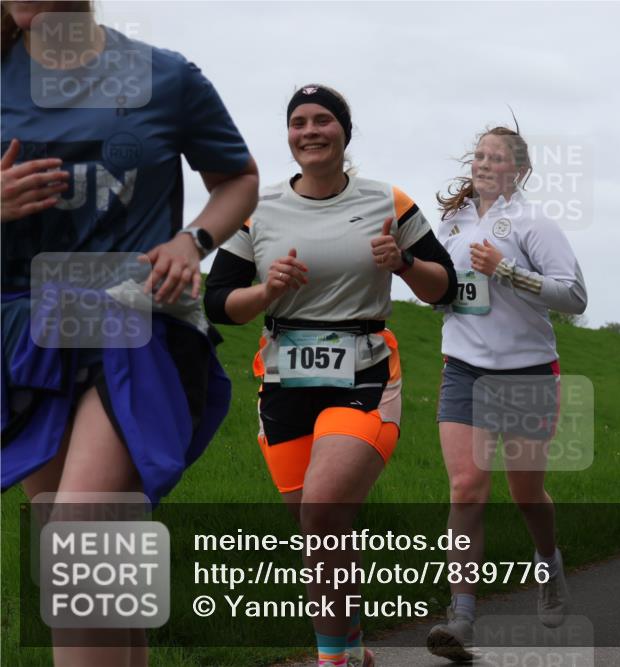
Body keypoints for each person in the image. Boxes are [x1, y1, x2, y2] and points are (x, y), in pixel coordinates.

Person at [1, 3, 258, 665]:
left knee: (79, 544)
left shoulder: (164, 78)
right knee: (102, 565)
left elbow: (238, 176)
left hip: (135, 317)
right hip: (27, 333)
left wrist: (192, 238)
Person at [204, 83, 457, 667]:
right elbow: (218, 303)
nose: (310, 131)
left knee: (322, 509)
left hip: (363, 369)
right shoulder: (258, 210)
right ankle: (352, 647)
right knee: (318, 535)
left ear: (345, 132)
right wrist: (266, 289)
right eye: (298, 122)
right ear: (288, 135)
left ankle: (331, 661)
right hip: (284, 380)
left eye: (323, 121)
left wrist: (406, 263)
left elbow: (443, 285)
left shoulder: (386, 201)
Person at [426, 126, 587, 662]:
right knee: (466, 488)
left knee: (526, 495)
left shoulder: (533, 223)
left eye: (497, 159)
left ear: (518, 172)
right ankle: (462, 615)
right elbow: (442, 294)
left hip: (527, 373)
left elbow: (575, 296)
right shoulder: (451, 221)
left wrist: (509, 271)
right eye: (479, 155)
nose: (484, 164)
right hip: (463, 368)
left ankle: (549, 565)